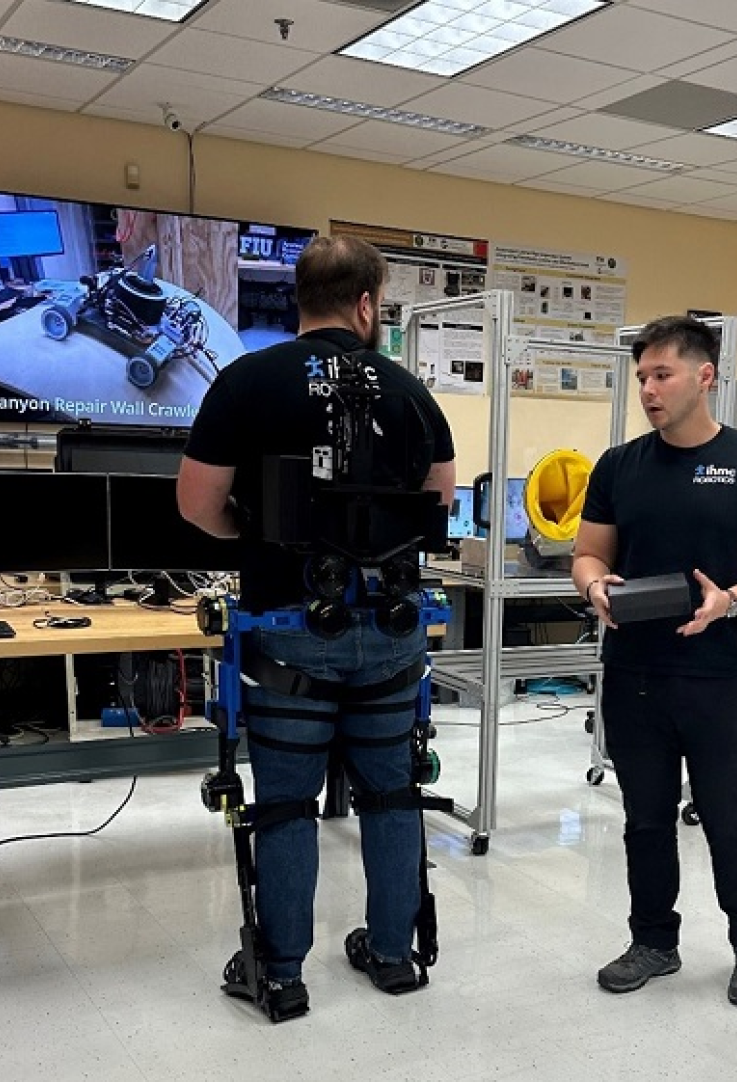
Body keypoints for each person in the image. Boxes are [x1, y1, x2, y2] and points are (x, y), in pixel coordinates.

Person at [178, 236, 455, 1020]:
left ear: (298, 298)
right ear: (368, 304)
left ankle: (284, 972)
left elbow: (196, 504)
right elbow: (437, 504)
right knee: (393, 794)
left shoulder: (244, 383)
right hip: (394, 630)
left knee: (288, 804)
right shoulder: (411, 392)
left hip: (291, 624)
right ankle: (395, 956)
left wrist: (256, 533)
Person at [573, 315, 737, 1008]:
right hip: (637, 674)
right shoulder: (620, 466)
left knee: (731, 816)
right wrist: (594, 585)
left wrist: (730, 600)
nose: (648, 388)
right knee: (645, 818)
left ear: (705, 377)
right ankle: (654, 940)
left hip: (720, 675)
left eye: (662, 374)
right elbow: (589, 553)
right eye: (642, 376)